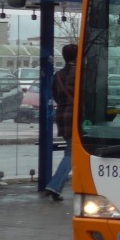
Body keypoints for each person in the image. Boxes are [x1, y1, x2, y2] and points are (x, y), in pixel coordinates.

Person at [44, 45, 77, 201]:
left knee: (71, 152)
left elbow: (55, 96)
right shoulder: (81, 73)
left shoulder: (58, 75)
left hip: (62, 116)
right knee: (72, 154)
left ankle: (56, 188)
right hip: (76, 117)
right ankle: (54, 186)